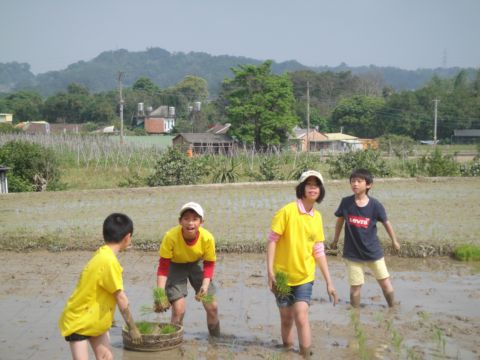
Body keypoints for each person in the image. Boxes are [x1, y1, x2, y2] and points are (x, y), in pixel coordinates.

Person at [267, 170, 338, 358]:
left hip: (305, 276)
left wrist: (329, 282)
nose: (313, 187)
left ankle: (306, 355)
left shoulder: (317, 217)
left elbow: (319, 251)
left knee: (301, 315)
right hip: (282, 276)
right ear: (302, 188)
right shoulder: (287, 211)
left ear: (320, 190)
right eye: (309, 184)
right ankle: (288, 353)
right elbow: (272, 240)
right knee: (286, 318)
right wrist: (270, 272)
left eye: (316, 184)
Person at [59, 213, 141, 360]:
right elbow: (120, 297)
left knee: (106, 357)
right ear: (127, 237)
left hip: (95, 320)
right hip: (78, 321)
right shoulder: (109, 261)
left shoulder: (103, 253)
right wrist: (132, 327)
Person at [331, 168, 401, 308]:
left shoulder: (375, 205)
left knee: (385, 282)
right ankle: (355, 314)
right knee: (355, 286)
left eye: (359, 181)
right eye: (352, 181)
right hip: (352, 253)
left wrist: (394, 241)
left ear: (368, 185)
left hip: (373, 251)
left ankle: (393, 307)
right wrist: (335, 240)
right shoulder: (346, 203)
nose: (355, 184)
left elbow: (386, 223)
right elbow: (339, 222)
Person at [155, 202, 220, 337]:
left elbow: (209, 263)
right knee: (179, 309)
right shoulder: (171, 237)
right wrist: (160, 293)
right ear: (180, 221)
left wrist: (205, 285)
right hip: (175, 265)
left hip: (197, 264)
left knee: (212, 307)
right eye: (186, 219)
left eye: (195, 219)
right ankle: (173, 341)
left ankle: (215, 340)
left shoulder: (207, 238)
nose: (190, 223)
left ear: (201, 222)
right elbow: (163, 267)